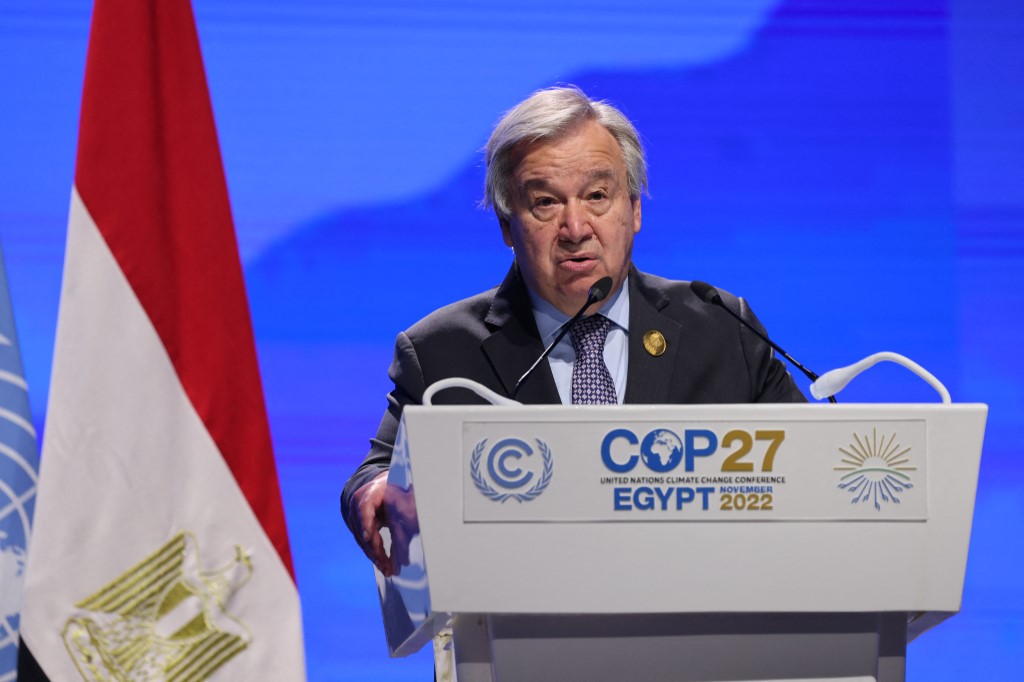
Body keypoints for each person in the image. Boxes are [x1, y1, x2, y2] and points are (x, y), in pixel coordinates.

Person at [341, 85, 806, 575]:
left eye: (597, 196)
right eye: (545, 203)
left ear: (635, 210)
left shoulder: (721, 328)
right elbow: (377, 474)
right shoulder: (442, 352)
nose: (576, 227)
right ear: (506, 225)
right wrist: (372, 490)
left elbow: (809, 466)